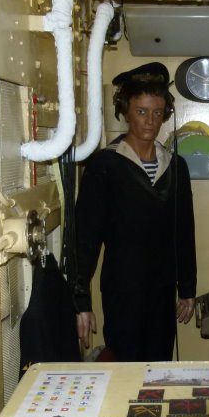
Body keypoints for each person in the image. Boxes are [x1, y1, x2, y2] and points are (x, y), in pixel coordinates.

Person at [73, 62, 197, 362]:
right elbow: (84, 239)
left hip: (162, 291)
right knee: (126, 366)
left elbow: (184, 231)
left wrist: (187, 288)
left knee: (159, 367)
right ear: (126, 111)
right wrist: (80, 302)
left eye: (157, 113)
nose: (150, 121)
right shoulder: (105, 165)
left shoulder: (175, 166)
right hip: (122, 289)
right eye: (141, 111)